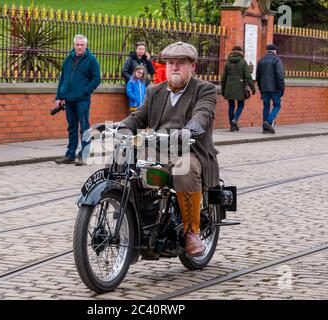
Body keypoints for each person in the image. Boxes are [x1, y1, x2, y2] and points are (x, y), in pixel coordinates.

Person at [117, 42, 219, 257]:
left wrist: (191, 129)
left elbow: (203, 114)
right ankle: (127, 219)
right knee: (122, 161)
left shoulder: (205, 90)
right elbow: (138, 117)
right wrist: (119, 127)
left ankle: (192, 231)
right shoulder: (155, 91)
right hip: (158, 150)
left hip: (191, 151)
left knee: (185, 169)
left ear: (192, 66)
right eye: (171, 63)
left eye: (181, 63)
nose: (174, 67)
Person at [54, 34, 101, 165]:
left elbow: (97, 78)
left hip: (82, 100)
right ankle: (70, 154)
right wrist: (59, 96)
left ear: (86, 46)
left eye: (82, 45)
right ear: (74, 45)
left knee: (84, 128)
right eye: (77, 45)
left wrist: (85, 91)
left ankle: (84, 155)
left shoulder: (91, 60)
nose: (79, 47)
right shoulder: (68, 59)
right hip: (68, 99)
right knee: (72, 128)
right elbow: (63, 78)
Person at [221, 46, 255, 132]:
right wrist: (252, 87)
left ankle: (232, 126)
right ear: (241, 52)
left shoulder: (228, 62)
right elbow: (248, 76)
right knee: (241, 104)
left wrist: (223, 90)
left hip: (229, 87)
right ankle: (235, 119)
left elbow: (223, 78)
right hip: (240, 86)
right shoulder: (243, 62)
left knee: (231, 106)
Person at [256, 44, 285, 134]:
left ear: (267, 51)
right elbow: (280, 76)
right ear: (274, 51)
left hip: (264, 88)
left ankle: (265, 128)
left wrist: (261, 88)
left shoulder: (261, 61)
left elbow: (258, 76)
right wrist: (281, 89)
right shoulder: (277, 60)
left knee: (266, 107)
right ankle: (268, 122)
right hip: (274, 88)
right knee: (277, 105)